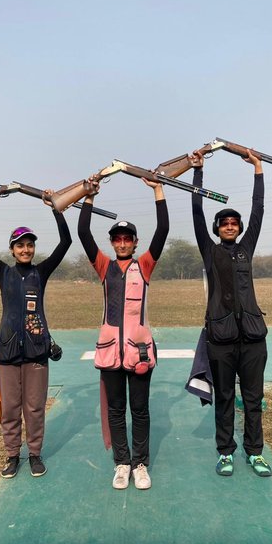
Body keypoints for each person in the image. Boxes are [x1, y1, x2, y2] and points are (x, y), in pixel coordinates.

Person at [77, 175, 171, 490]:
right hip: (109, 351)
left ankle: (140, 464)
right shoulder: (103, 266)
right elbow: (82, 233)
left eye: (127, 238)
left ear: (134, 241)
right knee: (116, 409)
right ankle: (122, 462)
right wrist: (88, 197)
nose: (121, 242)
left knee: (140, 410)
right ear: (112, 242)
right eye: (117, 238)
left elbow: (164, 230)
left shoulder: (144, 265)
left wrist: (158, 190)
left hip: (139, 350)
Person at [0, 188, 71, 479]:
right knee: (12, 408)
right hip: (7, 351)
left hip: (37, 350)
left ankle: (35, 455)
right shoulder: (3, 272)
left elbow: (66, 242)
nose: (26, 249)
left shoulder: (41, 272)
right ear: (12, 249)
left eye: (29, 245)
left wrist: (56, 207)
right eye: (20, 245)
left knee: (35, 408)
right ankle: (13, 456)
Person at [191, 149, 272, 478]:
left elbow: (259, 211)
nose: (229, 225)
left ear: (239, 228)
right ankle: (225, 452)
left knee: (253, 400)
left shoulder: (246, 248)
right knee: (224, 398)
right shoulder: (209, 251)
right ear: (216, 228)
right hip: (220, 340)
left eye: (233, 222)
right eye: (223, 222)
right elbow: (196, 210)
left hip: (253, 337)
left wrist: (258, 169)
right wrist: (198, 171)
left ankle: (255, 452)